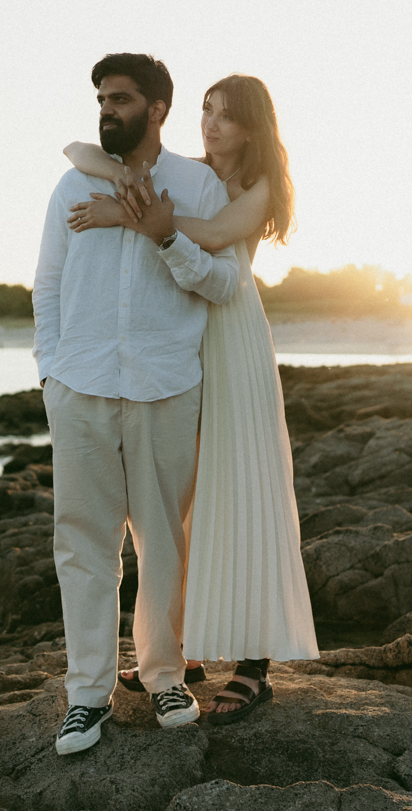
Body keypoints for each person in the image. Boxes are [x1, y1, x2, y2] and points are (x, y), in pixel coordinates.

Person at [63, 73, 319, 725]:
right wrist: (108, 172)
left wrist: (127, 213)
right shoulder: (192, 173)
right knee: (184, 505)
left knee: (242, 491)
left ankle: (255, 666)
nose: (210, 125)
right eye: (205, 110)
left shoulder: (257, 190)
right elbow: (90, 157)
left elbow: (205, 236)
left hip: (234, 343)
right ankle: (183, 649)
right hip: (185, 341)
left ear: (251, 127)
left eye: (226, 116)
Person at [34, 53, 239, 755]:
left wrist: (166, 236)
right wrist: (49, 376)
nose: (106, 109)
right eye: (100, 98)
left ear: (157, 110)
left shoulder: (200, 185)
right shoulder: (73, 182)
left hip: (165, 385)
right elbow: (48, 287)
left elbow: (223, 284)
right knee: (83, 545)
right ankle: (87, 695)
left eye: (120, 99)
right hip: (81, 385)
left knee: (164, 544)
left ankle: (164, 676)